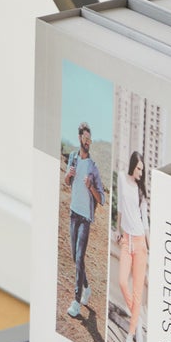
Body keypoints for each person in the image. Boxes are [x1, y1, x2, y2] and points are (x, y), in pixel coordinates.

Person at [62, 122, 106, 318]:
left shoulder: (93, 168)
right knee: (75, 257)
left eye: (90, 139)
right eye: (85, 138)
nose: (88, 142)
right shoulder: (72, 158)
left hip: (85, 218)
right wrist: (68, 176)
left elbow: (102, 199)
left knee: (79, 258)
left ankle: (76, 301)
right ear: (80, 138)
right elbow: (66, 181)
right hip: (73, 213)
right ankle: (86, 287)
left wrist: (90, 186)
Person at [116, 149, 150, 342]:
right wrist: (117, 227)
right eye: (138, 168)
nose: (140, 173)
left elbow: (145, 222)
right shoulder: (121, 178)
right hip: (126, 240)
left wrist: (151, 248)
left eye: (142, 170)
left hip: (140, 244)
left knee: (138, 293)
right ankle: (137, 322)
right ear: (132, 165)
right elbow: (119, 204)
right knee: (121, 281)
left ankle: (130, 336)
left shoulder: (140, 192)